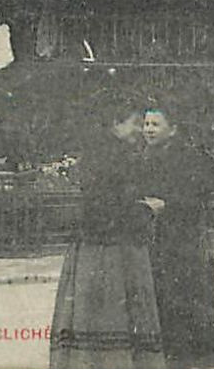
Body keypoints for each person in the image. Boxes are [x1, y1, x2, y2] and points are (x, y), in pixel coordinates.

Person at [50, 100, 163, 368]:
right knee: (112, 312)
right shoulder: (115, 155)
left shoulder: (105, 151)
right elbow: (106, 206)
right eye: (135, 123)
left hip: (97, 245)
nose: (140, 129)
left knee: (96, 315)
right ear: (116, 124)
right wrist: (146, 209)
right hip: (109, 249)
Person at [138, 104, 214, 368]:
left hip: (186, 236)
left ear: (172, 129)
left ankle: (194, 359)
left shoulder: (188, 156)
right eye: (146, 124)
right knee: (163, 295)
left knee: (188, 296)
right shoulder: (144, 155)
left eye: (155, 124)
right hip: (158, 236)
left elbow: (207, 186)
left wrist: (170, 204)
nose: (148, 130)